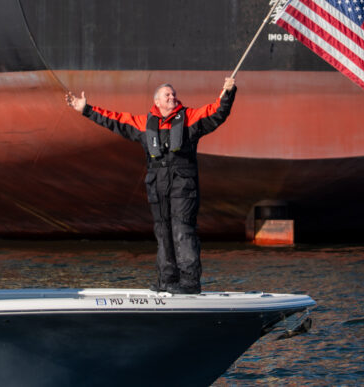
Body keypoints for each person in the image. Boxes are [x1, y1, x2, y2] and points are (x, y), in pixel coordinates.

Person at [65, 78, 236, 294]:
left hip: (183, 185)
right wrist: (86, 109)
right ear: (157, 101)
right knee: (163, 231)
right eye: (167, 95)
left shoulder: (190, 118)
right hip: (157, 186)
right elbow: (115, 120)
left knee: (182, 229)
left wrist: (228, 93)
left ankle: (190, 282)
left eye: (174, 94)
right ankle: (167, 280)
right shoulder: (143, 123)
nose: (172, 97)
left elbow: (217, 112)